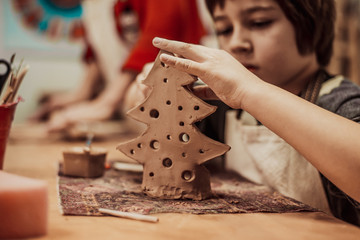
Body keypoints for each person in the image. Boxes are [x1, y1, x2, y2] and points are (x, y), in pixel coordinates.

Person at [127, 0, 360, 226]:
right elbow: (151, 126)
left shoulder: (340, 102)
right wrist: (146, 92)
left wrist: (249, 92)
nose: (237, 42)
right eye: (225, 29)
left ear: (312, 26)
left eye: (260, 22)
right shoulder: (220, 105)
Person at [32, 0, 206, 132]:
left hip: (177, 110)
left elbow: (157, 40)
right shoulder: (106, 6)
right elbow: (97, 53)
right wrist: (80, 96)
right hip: (133, 109)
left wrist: (106, 103)